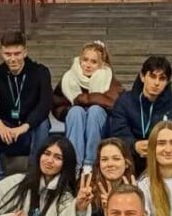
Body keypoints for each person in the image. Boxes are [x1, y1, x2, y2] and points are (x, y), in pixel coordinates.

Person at [0, 31, 53, 185]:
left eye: (17, 53)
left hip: (28, 131)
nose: (12, 59)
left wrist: (24, 127)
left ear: (25, 52)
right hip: (5, 132)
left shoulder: (40, 72)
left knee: (43, 123)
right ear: (1, 53)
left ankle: (34, 173)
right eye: (8, 54)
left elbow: (45, 105)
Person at [52, 40, 123, 173]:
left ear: (102, 64)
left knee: (95, 110)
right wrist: (71, 110)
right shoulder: (68, 78)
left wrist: (89, 100)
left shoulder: (109, 80)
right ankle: (74, 164)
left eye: (93, 62)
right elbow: (57, 105)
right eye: (85, 60)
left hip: (100, 125)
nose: (88, 65)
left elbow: (117, 105)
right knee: (76, 111)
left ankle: (90, 164)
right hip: (76, 123)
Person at [109, 55, 172, 174]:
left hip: (162, 156)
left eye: (162, 79)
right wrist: (134, 145)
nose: (156, 83)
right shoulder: (124, 101)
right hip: (131, 156)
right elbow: (118, 132)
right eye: (152, 76)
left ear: (167, 82)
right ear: (142, 76)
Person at [86, 137, 138, 216]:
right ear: (99, 164)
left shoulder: (136, 189)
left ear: (126, 163)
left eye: (116, 159)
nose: (110, 164)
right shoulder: (88, 189)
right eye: (104, 159)